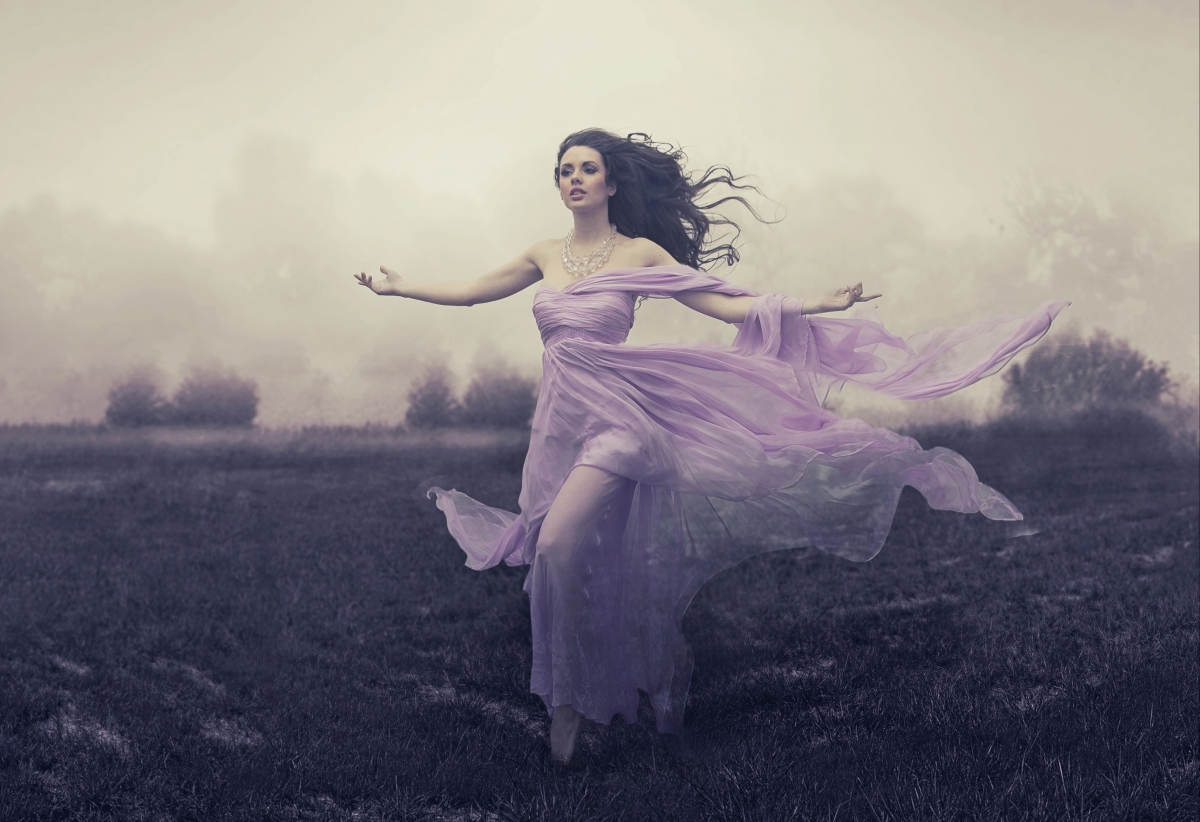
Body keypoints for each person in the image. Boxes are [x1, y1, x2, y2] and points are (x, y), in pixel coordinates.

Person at [354, 128, 1067, 764]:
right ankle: (605, 687)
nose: (574, 178)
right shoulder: (543, 254)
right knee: (579, 561)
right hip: (559, 428)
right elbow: (476, 290)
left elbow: (721, 302)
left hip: (619, 425)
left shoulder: (639, 253)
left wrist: (811, 303)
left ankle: (566, 711)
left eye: (587, 168)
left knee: (554, 550)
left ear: (609, 183)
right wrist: (399, 287)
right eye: (564, 169)